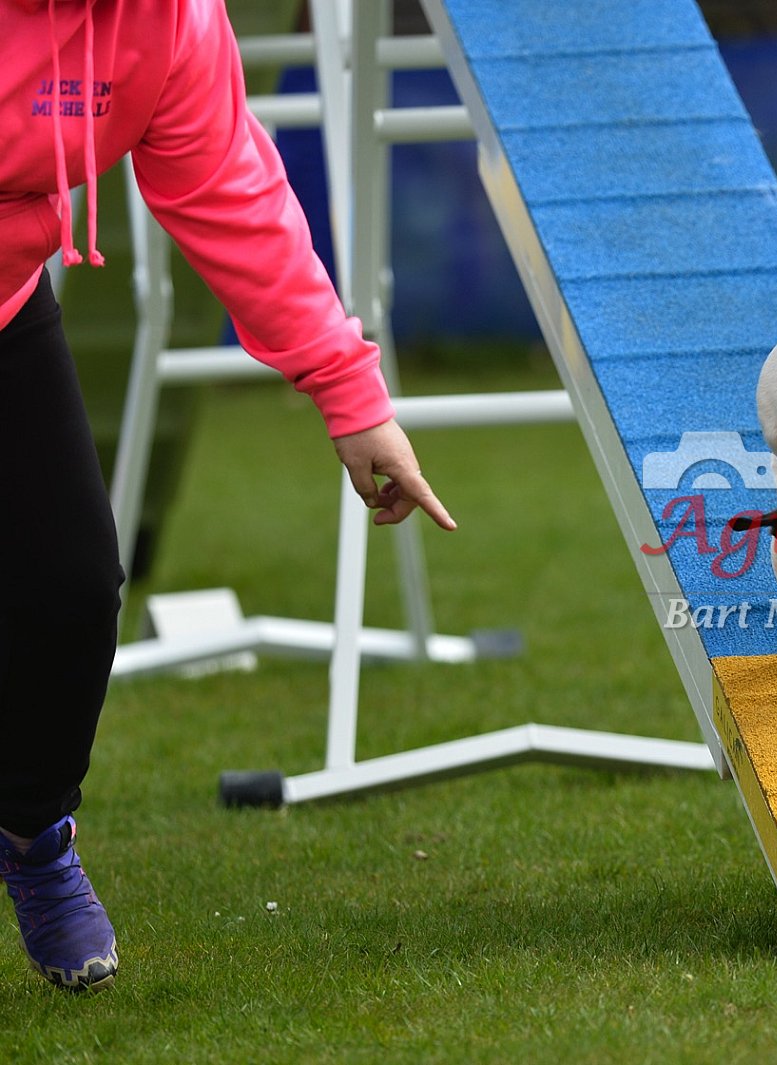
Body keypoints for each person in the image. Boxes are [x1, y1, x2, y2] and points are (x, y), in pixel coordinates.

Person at [0, 0, 456, 990]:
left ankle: (33, 839)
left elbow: (231, 191)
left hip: (6, 304)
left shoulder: (172, 21)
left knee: (73, 592)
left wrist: (350, 395)